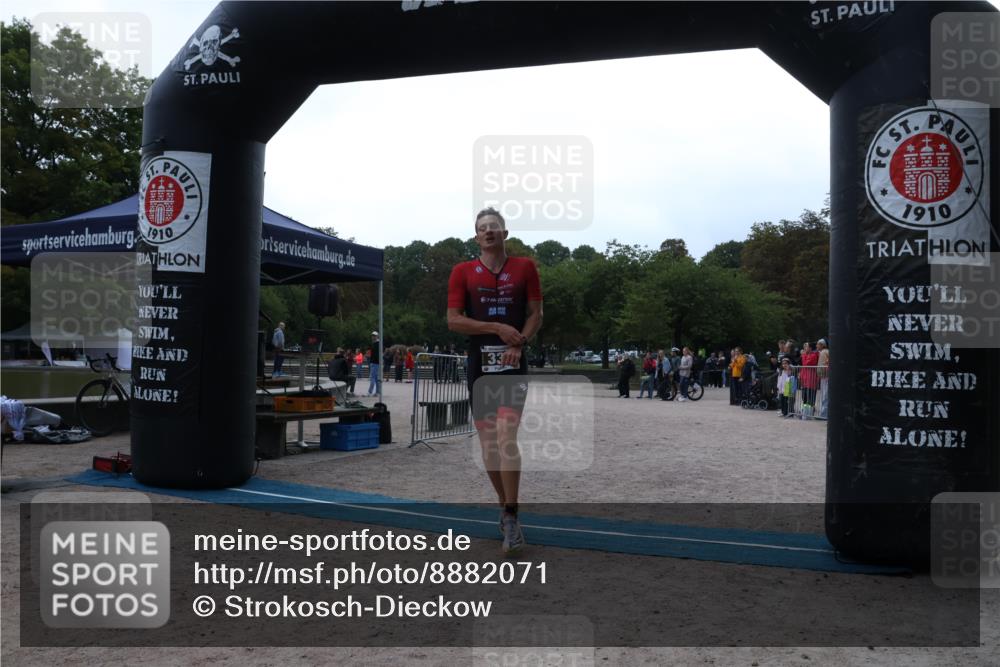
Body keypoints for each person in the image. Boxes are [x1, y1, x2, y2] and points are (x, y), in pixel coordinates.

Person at [447, 207, 542, 556]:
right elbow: (454, 320)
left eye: (494, 227)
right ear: (476, 237)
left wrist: (519, 342)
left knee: (506, 435)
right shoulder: (462, 272)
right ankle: (506, 508)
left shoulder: (525, 267)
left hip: (513, 362)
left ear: (505, 234)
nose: (489, 231)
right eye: (482, 228)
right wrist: (497, 328)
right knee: (489, 443)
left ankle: (511, 515)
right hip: (480, 364)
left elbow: (536, 314)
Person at [799, 341, 819, 414]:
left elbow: (806, 363)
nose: (804, 348)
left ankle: (810, 412)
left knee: (810, 396)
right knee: (804, 396)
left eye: (806, 346)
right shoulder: (806, 355)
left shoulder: (814, 355)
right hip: (805, 379)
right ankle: (805, 411)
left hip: (811, 379)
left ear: (810, 348)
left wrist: (803, 355)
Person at [817, 338, 830, 419]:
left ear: (822, 345)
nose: (816, 346)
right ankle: (823, 413)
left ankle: (824, 414)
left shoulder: (826, 352)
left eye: (818, 344)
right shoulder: (822, 352)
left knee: (825, 395)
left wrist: (827, 362)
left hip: (826, 377)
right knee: (823, 395)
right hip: (823, 377)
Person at [367, 331, 381, 396]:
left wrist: (373, 361)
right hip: (375, 362)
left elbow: (376, 355)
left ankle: (370, 392)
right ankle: (377, 392)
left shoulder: (377, 344)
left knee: (372, 377)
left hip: (375, 362)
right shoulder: (375, 343)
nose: (373, 337)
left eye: (374, 336)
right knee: (375, 378)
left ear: (377, 336)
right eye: (372, 336)